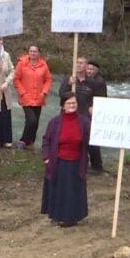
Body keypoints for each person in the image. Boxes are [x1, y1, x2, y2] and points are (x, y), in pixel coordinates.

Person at [41, 92, 91, 227]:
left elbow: (91, 139)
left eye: (74, 103)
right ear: (63, 105)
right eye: (69, 103)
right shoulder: (54, 122)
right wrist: (46, 158)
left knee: (73, 190)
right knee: (58, 190)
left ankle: (72, 217)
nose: (72, 105)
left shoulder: (84, 121)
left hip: (77, 161)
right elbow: (46, 140)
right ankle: (56, 217)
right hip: (58, 161)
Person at [13, 45, 52, 149]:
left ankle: (31, 142)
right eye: (31, 51)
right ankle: (23, 140)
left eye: (35, 51)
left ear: (38, 53)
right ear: (28, 52)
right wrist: (22, 93)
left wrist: (44, 92)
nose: (33, 53)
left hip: (39, 97)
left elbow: (48, 79)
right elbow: (16, 79)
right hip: (26, 97)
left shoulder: (43, 64)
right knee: (31, 120)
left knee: (36, 121)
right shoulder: (22, 64)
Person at [85, 60, 107, 173]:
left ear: (97, 70)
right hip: (86, 112)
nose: (89, 71)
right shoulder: (86, 80)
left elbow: (102, 99)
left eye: (91, 69)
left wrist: (95, 108)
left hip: (93, 113)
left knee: (92, 140)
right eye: (87, 68)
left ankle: (97, 165)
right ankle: (93, 164)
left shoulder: (99, 82)